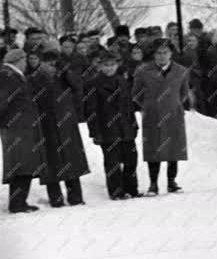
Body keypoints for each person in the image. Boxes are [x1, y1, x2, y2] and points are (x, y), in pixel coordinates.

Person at [30, 46, 90, 207]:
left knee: (72, 160)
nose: (51, 66)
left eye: (54, 62)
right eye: (47, 62)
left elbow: (78, 87)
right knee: (51, 163)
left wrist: (66, 71)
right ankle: (56, 199)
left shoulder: (64, 76)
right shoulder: (33, 79)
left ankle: (76, 197)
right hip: (45, 125)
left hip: (66, 124)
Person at [132, 38, 189, 196]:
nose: (162, 56)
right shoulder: (143, 71)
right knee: (153, 149)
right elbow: (136, 94)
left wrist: (173, 103)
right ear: (153, 54)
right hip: (152, 115)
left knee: (174, 149)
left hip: (174, 114)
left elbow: (184, 93)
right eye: (158, 53)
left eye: (165, 53)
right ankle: (153, 184)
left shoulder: (181, 71)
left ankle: (172, 182)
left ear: (171, 54)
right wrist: (149, 105)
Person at [86, 51, 142, 200]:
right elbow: (91, 110)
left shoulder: (122, 81)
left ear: (117, 65)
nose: (109, 68)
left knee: (131, 160)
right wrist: (95, 132)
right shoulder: (94, 83)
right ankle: (116, 191)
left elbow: (129, 105)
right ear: (100, 66)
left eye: (112, 65)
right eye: (106, 65)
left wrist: (134, 124)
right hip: (107, 128)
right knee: (112, 163)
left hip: (125, 127)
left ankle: (131, 189)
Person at [0, 49, 46, 213]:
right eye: (25, 59)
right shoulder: (8, 76)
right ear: (19, 60)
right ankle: (18, 204)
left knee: (23, 166)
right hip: (16, 129)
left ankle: (19, 202)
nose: (26, 63)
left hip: (20, 128)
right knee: (21, 166)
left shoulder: (11, 75)